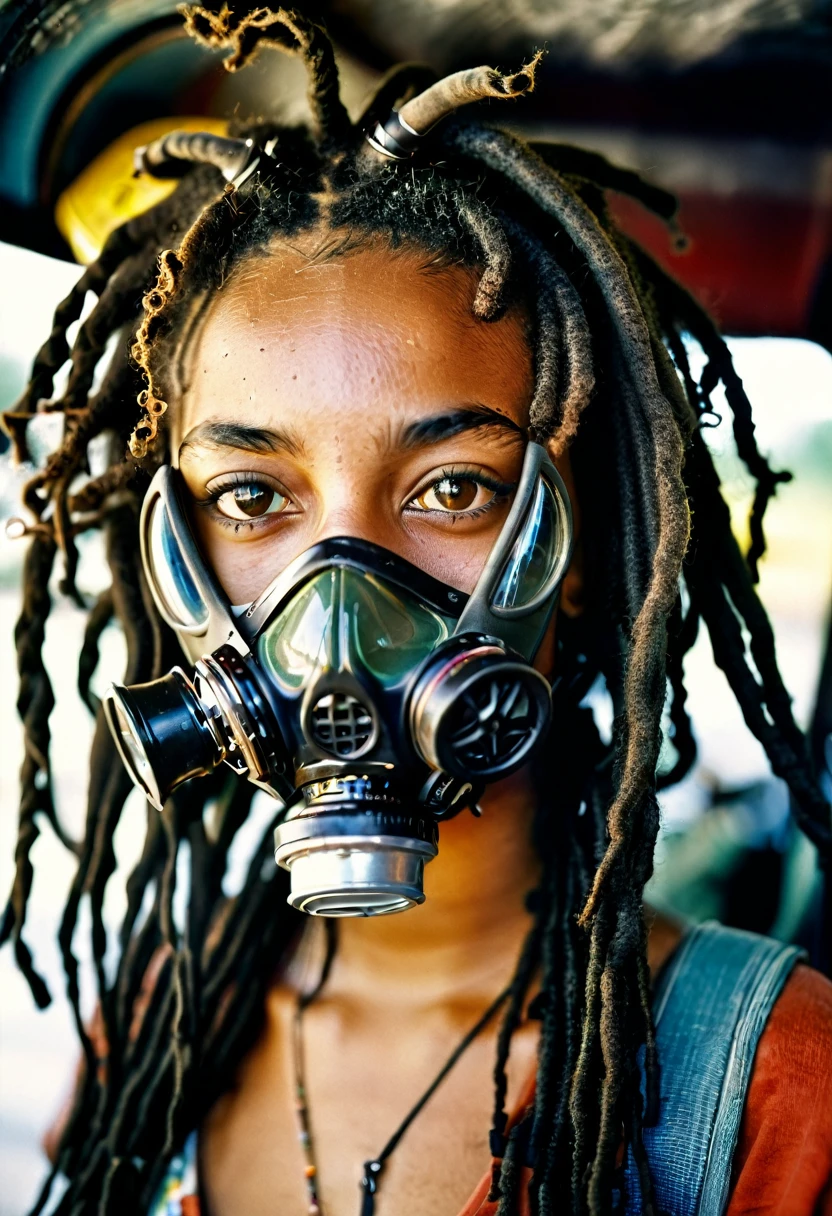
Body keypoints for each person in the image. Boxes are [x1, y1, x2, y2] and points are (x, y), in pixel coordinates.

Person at [3, 6, 832, 1215]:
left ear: (580, 550)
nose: (337, 607)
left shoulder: (779, 1084)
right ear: (174, 556)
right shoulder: (160, 1030)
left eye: (452, 487)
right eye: (251, 494)